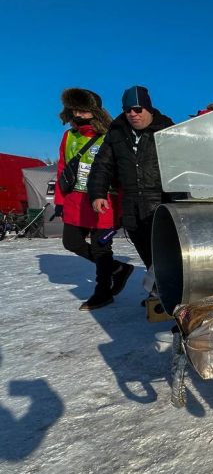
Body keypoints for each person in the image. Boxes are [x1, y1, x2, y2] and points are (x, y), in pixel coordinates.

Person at [54, 88, 134, 310]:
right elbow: (62, 168)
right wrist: (60, 201)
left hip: (104, 201)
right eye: (74, 109)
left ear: (95, 111)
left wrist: (123, 207)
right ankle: (118, 268)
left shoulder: (110, 136)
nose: (77, 114)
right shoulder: (68, 136)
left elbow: (121, 172)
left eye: (83, 110)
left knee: (100, 249)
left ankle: (103, 293)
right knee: (71, 242)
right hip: (74, 201)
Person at [87, 86, 174, 275]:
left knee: (167, 255)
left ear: (148, 109)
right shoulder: (116, 133)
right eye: (127, 110)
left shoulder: (168, 129)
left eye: (137, 109)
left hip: (161, 203)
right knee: (147, 256)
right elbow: (102, 165)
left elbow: (181, 165)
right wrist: (97, 193)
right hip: (131, 206)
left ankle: (168, 296)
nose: (132, 114)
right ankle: (157, 295)